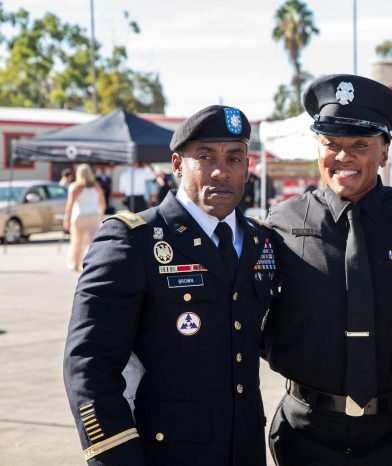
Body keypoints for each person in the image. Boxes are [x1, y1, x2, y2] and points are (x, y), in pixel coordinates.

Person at [64, 105, 276, 466]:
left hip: (244, 451)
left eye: (234, 157)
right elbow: (88, 365)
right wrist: (118, 457)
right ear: (178, 165)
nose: (221, 170)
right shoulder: (133, 240)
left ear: (247, 166)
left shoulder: (260, 241)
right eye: (205, 157)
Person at [264, 74, 392, 465]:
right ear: (318, 149)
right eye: (331, 144)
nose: (343, 156)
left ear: (384, 153)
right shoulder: (281, 223)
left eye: (360, 145)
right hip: (307, 432)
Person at [63, 164, 106, 272]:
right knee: (92, 243)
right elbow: (102, 203)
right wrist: (101, 215)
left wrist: (66, 219)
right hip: (94, 216)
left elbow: (70, 205)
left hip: (79, 216)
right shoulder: (96, 186)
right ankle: (93, 264)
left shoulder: (75, 187)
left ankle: (75, 264)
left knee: (77, 242)